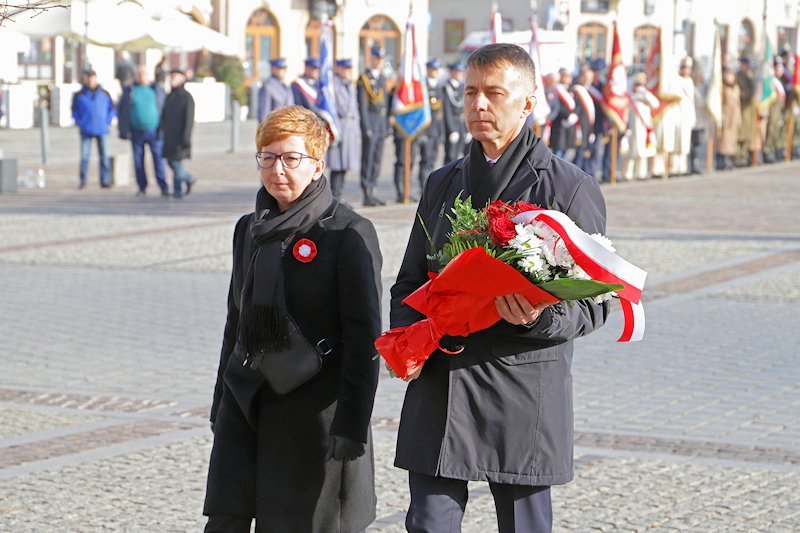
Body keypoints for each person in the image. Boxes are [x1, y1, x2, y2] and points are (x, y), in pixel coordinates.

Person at [388, 43, 609, 533]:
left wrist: (538, 316)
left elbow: (596, 304)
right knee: (428, 523)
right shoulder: (442, 183)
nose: (478, 105)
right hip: (442, 385)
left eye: (493, 93)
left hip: (521, 386)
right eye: (470, 93)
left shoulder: (568, 188)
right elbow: (407, 280)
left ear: (527, 102)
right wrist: (410, 335)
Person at [203, 105, 382, 532]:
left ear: (318, 166)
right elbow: (236, 319)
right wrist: (220, 400)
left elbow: (365, 339)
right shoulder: (249, 228)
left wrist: (353, 423)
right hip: (248, 399)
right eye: (267, 157)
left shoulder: (347, 233)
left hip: (315, 412)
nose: (277, 169)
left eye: (290, 158)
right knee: (225, 518)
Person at [118, 65, 169, 196]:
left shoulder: (156, 89)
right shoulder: (130, 90)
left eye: (144, 73)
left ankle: (163, 186)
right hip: (136, 131)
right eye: (139, 73)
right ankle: (142, 187)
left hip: (154, 131)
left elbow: (164, 108)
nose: (141, 76)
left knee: (158, 159)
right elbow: (122, 109)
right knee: (138, 160)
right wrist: (123, 129)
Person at [71, 69, 115, 189]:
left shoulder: (104, 94)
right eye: (88, 77)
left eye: (92, 77)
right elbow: (74, 111)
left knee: (104, 156)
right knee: (85, 157)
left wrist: (108, 121)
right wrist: (80, 122)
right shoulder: (79, 95)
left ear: (96, 78)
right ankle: (83, 180)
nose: (90, 80)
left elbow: (112, 109)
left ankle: (104, 180)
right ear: (85, 79)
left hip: (102, 129)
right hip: (86, 129)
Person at [357, 46, 389, 206]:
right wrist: (366, 127)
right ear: (372, 59)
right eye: (377, 59)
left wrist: (387, 125)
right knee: (368, 159)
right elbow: (363, 106)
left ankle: (373, 190)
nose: (379, 62)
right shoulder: (364, 78)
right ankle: (366, 191)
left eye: (381, 59)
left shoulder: (382, 78)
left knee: (377, 159)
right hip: (371, 123)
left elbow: (386, 104)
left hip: (381, 125)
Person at [326, 58, 360, 200]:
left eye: (349, 69)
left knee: (345, 165)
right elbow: (339, 107)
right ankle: (334, 196)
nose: (347, 72)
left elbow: (355, 109)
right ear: (338, 68)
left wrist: (357, 130)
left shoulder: (349, 85)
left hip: (350, 128)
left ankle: (340, 195)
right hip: (339, 127)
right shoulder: (333, 84)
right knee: (337, 165)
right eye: (344, 68)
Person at [160, 69, 196, 198]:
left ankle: (179, 188)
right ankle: (185, 181)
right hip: (169, 137)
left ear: (182, 79)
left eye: (175, 77)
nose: (172, 80)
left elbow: (189, 120)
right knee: (171, 162)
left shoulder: (186, 97)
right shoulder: (170, 96)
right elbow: (164, 116)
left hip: (179, 138)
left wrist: (186, 138)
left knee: (176, 163)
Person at [622, 72, 659, 180]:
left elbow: (655, 104)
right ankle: (627, 174)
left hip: (644, 126)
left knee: (642, 150)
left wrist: (645, 95)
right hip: (632, 127)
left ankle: (641, 173)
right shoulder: (630, 95)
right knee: (631, 151)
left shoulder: (646, 94)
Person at [418, 59, 444, 188]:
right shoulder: (423, 87)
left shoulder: (439, 87)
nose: (435, 72)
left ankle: (430, 185)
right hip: (426, 129)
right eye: (432, 69)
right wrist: (422, 131)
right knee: (426, 159)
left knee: (433, 158)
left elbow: (441, 111)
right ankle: (423, 185)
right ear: (427, 70)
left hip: (436, 129)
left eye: (436, 70)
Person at [571, 65, 596, 175]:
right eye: (586, 77)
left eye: (590, 77)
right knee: (578, 157)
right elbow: (577, 109)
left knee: (585, 154)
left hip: (587, 128)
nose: (588, 80)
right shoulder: (577, 90)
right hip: (579, 128)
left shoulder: (587, 91)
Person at [442, 62, 468, 163]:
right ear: (452, 73)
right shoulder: (447, 88)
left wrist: (467, 129)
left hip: (462, 124)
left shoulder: (462, 87)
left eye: (461, 72)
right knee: (451, 155)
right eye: (458, 72)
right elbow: (447, 111)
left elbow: (465, 108)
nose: (461, 74)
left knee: (462, 155)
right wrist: (452, 129)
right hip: (453, 125)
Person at [763, 56, 787, 164]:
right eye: (778, 68)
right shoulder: (771, 81)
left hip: (779, 111)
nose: (780, 70)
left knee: (778, 130)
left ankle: (776, 150)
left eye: (781, 68)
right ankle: (768, 151)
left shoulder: (781, 81)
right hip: (772, 111)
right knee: (771, 130)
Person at [717, 67, 741, 170]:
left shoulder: (736, 87)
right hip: (725, 115)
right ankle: (721, 160)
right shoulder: (722, 87)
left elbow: (738, 103)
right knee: (723, 140)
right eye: (727, 75)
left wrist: (739, 118)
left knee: (731, 140)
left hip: (734, 116)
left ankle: (729, 159)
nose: (729, 77)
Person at [256, 57, 294, 124]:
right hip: (274, 129)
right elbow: (264, 115)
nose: (284, 71)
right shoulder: (267, 87)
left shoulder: (286, 87)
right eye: (281, 68)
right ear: (273, 69)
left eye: (285, 69)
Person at [735, 56, 757, 166]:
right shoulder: (738, 76)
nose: (747, 67)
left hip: (750, 109)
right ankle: (738, 157)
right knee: (741, 134)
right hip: (742, 107)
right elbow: (740, 92)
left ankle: (745, 156)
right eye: (745, 65)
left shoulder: (750, 76)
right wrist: (749, 95)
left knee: (748, 133)